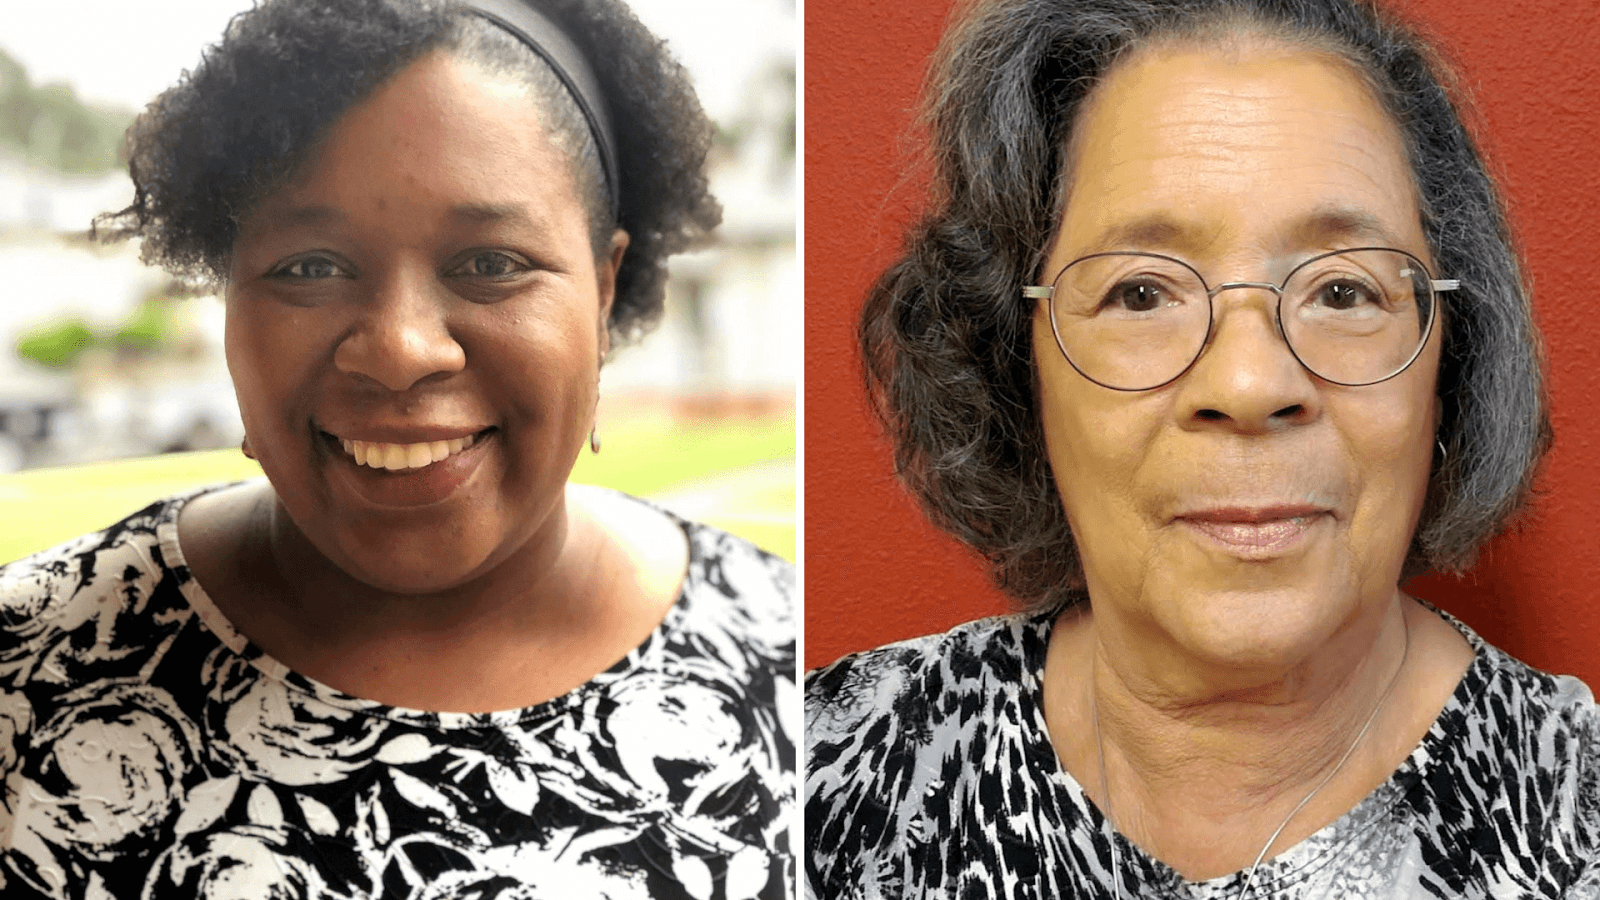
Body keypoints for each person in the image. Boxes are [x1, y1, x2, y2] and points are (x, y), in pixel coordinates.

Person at [0, 1, 794, 897]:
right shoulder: (24, 671)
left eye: (491, 261)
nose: (400, 351)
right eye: (309, 267)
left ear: (604, 294)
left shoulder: (789, 661)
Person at [805, 0, 1598, 897]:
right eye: (1141, 294)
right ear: (1012, 360)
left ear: (1452, 356)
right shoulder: (814, 778)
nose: (1251, 385)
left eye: (1342, 290)